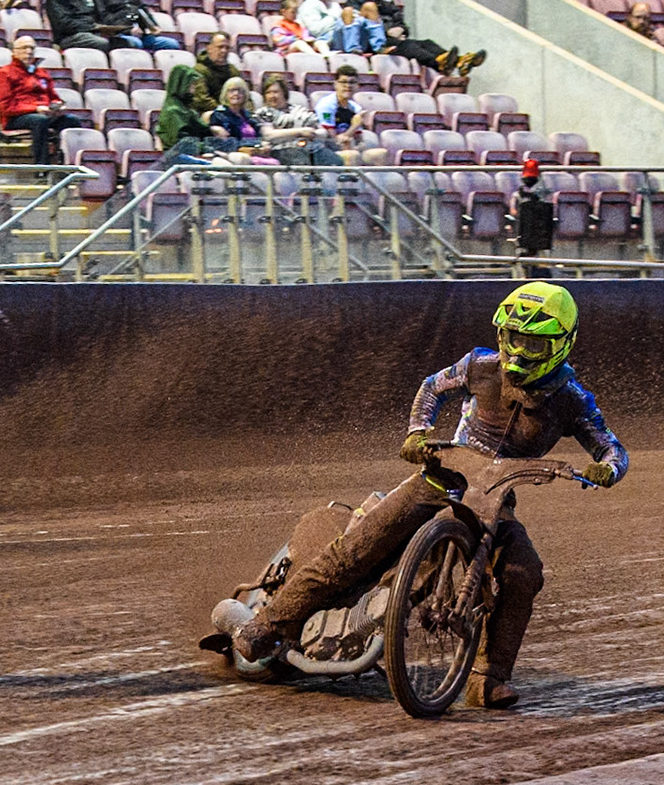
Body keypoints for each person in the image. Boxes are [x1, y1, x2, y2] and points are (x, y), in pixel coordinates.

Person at [231, 282, 627, 710]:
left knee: (522, 573)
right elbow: (432, 387)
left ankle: (487, 677)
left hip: (495, 502)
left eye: (533, 342)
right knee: (355, 550)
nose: (520, 351)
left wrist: (606, 469)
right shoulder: (479, 365)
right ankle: (269, 624)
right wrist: (417, 432)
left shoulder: (573, 400)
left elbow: (611, 447)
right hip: (439, 480)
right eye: (514, 338)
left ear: (561, 343)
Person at [0, 35, 89, 164]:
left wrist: (57, 105)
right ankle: (42, 167)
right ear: (14, 52)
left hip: (44, 114)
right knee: (40, 120)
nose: (29, 51)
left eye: (32, 48)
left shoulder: (41, 73)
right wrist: (36, 109)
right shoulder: (5, 73)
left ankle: (68, 163)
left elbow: (53, 97)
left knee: (72, 120)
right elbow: (6, 107)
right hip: (16, 118)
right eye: (24, 48)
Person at [329, 2, 482, 75]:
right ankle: (439, 63)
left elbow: (403, 24)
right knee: (408, 46)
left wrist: (401, 29)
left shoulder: (388, 7)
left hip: (392, 37)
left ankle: (458, 60)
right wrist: (387, 31)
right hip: (370, 42)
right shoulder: (357, 4)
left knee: (426, 43)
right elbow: (353, 22)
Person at [252, 75, 343, 165]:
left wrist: (314, 134)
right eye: (268, 92)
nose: (272, 96)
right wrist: (300, 132)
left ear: (284, 93)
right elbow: (268, 135)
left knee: (337, 162)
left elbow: (323, 131)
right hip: (282, 150)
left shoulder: (300, 110)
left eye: (276, 92)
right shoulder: (263, 112)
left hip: (313, 148)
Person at [157, 63, 220, 162]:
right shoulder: (173, 112)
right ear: (181, 84)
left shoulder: (188, 110)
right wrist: (208, 148)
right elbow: (182, 143)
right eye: (192, 85)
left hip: (196, 153)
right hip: (178, 157)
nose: (194, 89)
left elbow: (203, 132)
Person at [313, 64, 372, 163]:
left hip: (348, 148)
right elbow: (333, 141)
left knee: (379, 154)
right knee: (351, 155)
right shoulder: (326, 106)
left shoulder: (355, 108)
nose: (348, 86)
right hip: (325, 150)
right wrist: (354, 126)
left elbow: (359, 140)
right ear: (335, 84)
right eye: (343, 82)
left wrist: (359, 146)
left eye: (352, 82)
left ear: (357, 85)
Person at [514, 159, 554, 275]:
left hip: (540, 233)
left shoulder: (544, 194)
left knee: (541, 260)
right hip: (524, 232)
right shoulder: (519, 194)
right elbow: (514, 210)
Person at [98, 0, 181, 51]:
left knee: (172, 44)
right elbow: (105, 19)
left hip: (143, 34)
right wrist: (129, 30)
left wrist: (154, 26)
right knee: (136, 43)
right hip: (120, 35)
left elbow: (143, 10)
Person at [45, 0, 113, 50]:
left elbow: (104, 15)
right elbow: (63, 23)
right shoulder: (57, 2)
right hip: (70, 36)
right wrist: (92, 27)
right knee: (102, 42)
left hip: (96, 31)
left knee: (120, 41)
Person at [196, 32, 242, 100]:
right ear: (209, 48)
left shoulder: (233, 71)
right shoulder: (199, 70)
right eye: (220, 47)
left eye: (227, 48)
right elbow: (202, 99)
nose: (224, 51)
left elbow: (244, 94)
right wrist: (223, 110)